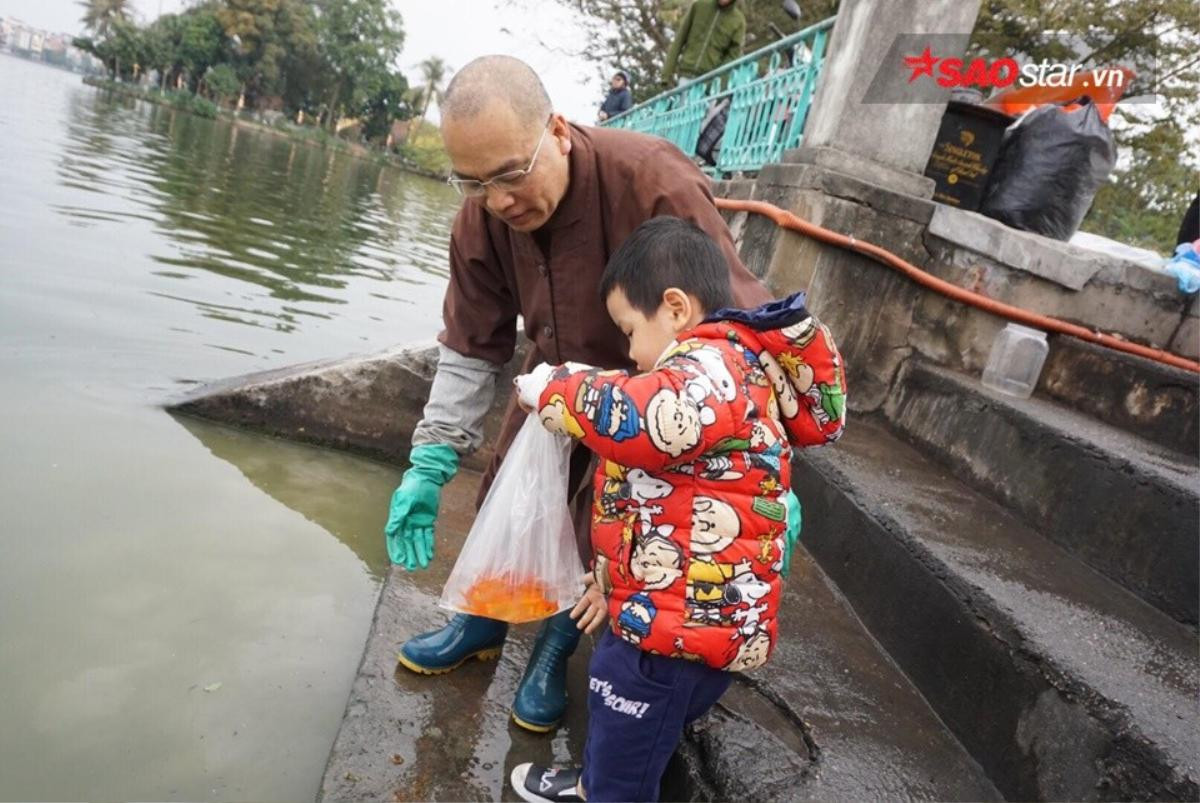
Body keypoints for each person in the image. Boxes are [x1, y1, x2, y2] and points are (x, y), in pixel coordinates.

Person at [383, 54, 783, 734]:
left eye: (512, 173)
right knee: (506, 495)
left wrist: (770, 463)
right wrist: (430, 458)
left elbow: (737, 326)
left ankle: (554, 646)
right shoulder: (480, 220)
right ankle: (480, 620)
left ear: (559, 132)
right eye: (475, 183)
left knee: (606, 526)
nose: (501, 200)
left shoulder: (651, 180)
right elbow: (469, 343)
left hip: (654, 395)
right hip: (550, 383)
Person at [508, 217, 846, 802]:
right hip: (687, 616)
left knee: (623, 718)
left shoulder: (708, 370)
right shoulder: (727, 372)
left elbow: (641, 419)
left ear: (675, 308)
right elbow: (661, 495)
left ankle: (605, 792)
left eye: (630, 330)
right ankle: (599, 780)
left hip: (673, 636)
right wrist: (614, 582)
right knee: (634, 727)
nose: (630, 352)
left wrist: (556, 390)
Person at [662, 0, 746, 87]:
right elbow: (679, 40)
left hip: (709, 82)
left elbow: (733, 56)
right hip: (686, 76)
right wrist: (666, 74)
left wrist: (718, 81)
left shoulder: (738, 21)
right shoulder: (699, 5)